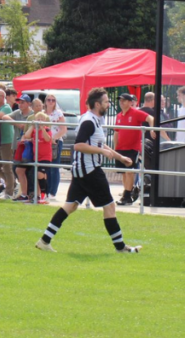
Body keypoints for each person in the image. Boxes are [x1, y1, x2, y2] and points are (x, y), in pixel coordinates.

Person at [36, 88, 141, 253]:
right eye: (106, 101)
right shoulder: (89, 121)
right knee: (110, 206)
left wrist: (119, 157)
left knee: (70, 206)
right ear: (97, 104)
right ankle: (120, 247)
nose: (108, 104)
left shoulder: (95, 119)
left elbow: (99, 144)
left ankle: (44, 240)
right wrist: (102, 152)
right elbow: (78, 145)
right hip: (89, 170)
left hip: (82, 170)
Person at [113, 93, 154, 206]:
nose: (121, 102)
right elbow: (116, 132)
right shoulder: (119, 115)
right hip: (121, 148)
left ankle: (127, 196)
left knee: (129, 171)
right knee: (124, 173)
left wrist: (151, 129)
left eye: (124, 100)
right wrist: (115, 149)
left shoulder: (135, 113)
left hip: (132, 148)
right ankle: (126, 195)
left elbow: (150, 118)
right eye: (120, 100)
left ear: (131, 102)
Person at [20, 111, 53, 204]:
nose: (40, 121)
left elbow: (47, 139)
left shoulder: (47, 130)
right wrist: (32, 126)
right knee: (36, 176)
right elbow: (26, 136)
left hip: (46, 157)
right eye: (38, 119)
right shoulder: (34, 131)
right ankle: (38, 196)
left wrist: (42, 128)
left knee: (40, 174)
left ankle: (45, 195)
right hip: (36, 157)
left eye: (42, 119)